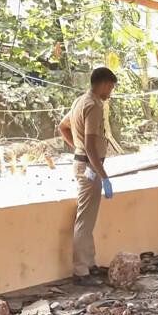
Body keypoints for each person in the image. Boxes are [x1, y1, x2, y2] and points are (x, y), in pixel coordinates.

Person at [58, 67, 116, 286]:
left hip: (83, 162)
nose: (110, 91)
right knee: (84, 220)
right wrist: (103, 174)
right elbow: (91, 144)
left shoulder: (79, 101)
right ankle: (81, 270)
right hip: (90, 167)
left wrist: (77, 148)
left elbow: (62, 127)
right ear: (102, 84)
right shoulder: (93, 106)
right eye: (110, 86)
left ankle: (89, 264)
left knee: (88, 218)